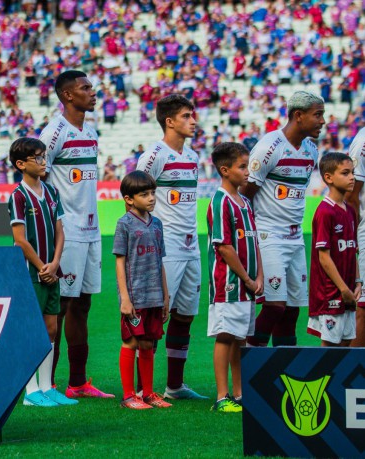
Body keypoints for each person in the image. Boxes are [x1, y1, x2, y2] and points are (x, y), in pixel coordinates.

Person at [38, 70, 112, 398]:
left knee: (83, 305)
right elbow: (38, 170)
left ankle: (78, 382)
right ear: (68, 95)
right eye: (85, 88)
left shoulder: (91, 130)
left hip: (92, 230)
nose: (93, 93)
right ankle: (47, 383)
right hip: (67, 232)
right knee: (61, 305)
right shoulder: (54, 131)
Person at [137, 94, 207, 400]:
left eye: (192, 115)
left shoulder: (191, 155)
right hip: (165, 249)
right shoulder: (154, 155)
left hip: (192, 247)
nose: (193, 121)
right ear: (169, 121)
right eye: (186, 116)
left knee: (185, 315)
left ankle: (175, 386)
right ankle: (144, 388)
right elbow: (137, 199)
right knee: (154, 316)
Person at [243, 92, 325, 349]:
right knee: (274, 306)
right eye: (317, 115)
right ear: (298, 116)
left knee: (291, 310)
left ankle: (280, 373)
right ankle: (248, 366)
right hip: (269, 236)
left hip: (295, 237)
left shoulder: (311, 149)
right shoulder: (269, 147)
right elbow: (246, 195)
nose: (323, 121)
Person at [7, 137, 76, 408]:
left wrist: (55, 263)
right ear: (21, 164)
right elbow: (20, 240)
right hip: (31, 273)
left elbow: (60, 231)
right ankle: (31, 391)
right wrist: (41, 266)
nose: (43, 161)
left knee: (50, 328)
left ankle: (47, 386)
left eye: (44, 156)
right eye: (37, 157)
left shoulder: (51, 192)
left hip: (52, 271)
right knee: (30, 331)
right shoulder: (18, 196)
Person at [207, 142, 262, 413]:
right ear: (225, 170)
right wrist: (248, 279)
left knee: (241, 338)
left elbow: (254, 242)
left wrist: (259, 274)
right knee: (226, 335)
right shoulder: (220, 202)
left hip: (248, 284)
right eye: (242, 166)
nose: (247, 171)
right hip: (229, 284)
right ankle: (221, 396)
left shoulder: (245, 202)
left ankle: (240, 393)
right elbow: (224, 247)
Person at [113, 171, 171, 410]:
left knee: (148, 344)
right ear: (129, 199)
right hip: (135, 298)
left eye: (153, 193)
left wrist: (165, 296)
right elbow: (119, 262)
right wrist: (124, 298)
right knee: (131, 342)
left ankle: (148, 393)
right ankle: (129, 396)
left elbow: (160, 261)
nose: (151, 198)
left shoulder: (157, 224)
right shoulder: (124, 224)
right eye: (144, 194)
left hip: (155, 296)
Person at [308, 153, 360, 347]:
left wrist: (357, 282)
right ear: (328, 177)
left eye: (353, 173)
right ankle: (324, 378)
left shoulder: (350, 211)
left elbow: (352, 250)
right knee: (330, 349)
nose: (352, 177)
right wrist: (343, 289)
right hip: (330, 292)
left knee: (346, 345)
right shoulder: (325, 212)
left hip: (348, 290)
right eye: (345, 173)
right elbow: (324, 257)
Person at [344, 127, 365, 346]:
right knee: (364, 307)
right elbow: (352, 195)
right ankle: (355, 374)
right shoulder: (363, 143)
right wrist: (354, 237)